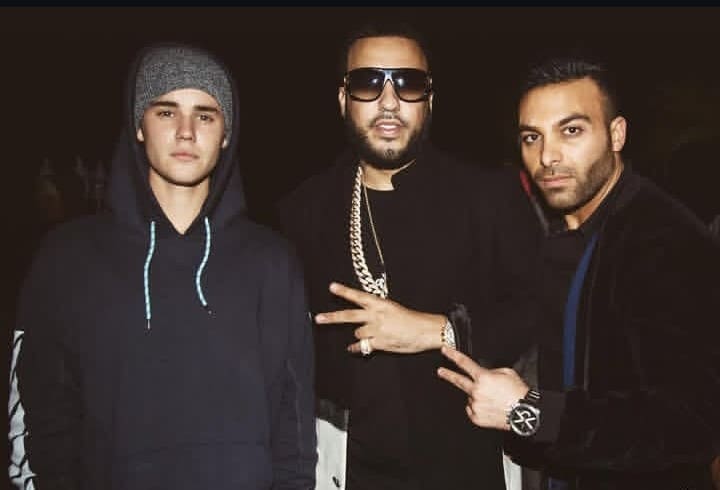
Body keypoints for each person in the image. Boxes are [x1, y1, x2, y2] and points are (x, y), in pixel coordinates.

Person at [8, 43, 316, 489]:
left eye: (205, 115)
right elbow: (42, 415)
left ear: (226, 134)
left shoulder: (273, 261)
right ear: (139, 125)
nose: (186, 132)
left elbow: (295, 425)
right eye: (167, 112)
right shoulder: (67, 257)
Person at [278, 23, 543, 490]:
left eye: (408, 83)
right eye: (368, 82)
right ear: (342, 99)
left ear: (429, 100)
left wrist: (441, 330)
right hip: (344, 470)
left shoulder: (488, 197)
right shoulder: (303, 211)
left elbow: (538, 310)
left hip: (465, 467)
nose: (389, 101)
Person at [438, 57, 720, 489]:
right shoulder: (565, 234)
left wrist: (529, 412)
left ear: (616, 134)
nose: (547, 156)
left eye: (571, 131)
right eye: (532, 137)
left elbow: (691, 422)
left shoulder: (663, 241)